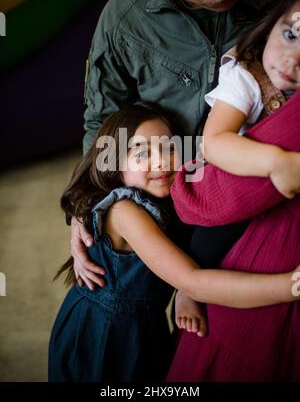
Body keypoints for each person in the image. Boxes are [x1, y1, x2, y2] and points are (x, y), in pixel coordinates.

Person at [72, 0, 300, 290]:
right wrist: (87, 204)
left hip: (268, 201)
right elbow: (103, 123)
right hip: (163, 210)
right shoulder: (124, 21)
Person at [49, 102, 299, 382]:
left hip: (146, 326)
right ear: (115, 165)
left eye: (169, 148)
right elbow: (193, 279)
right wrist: (290, 286)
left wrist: (183, 293)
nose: (161, 161)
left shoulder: (170, 202)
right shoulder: (124, 212)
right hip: (103, 333)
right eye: (142, 152)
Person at [166, 0, 300, 379]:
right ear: (272, 24)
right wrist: (276, 162)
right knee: (207, 246)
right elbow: (216, 141)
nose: (291, 61)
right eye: (290, 35)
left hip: (268, 202)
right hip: (220, 186)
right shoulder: (245, 75)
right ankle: (187, 290)